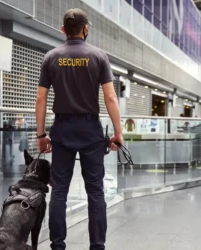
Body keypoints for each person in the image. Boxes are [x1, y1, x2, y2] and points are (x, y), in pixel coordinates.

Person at [35, 8, 123, 250]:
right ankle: (97, 246)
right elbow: (110, 97)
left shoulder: (51, 57)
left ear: (63, 30)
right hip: (90, 130)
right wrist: (118, 132)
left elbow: (41, 98)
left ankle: (58, 246)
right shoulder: (99, 56)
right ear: (86, 29)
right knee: (95, 191)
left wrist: (41, 134)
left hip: (62, 129)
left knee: (59, 192)